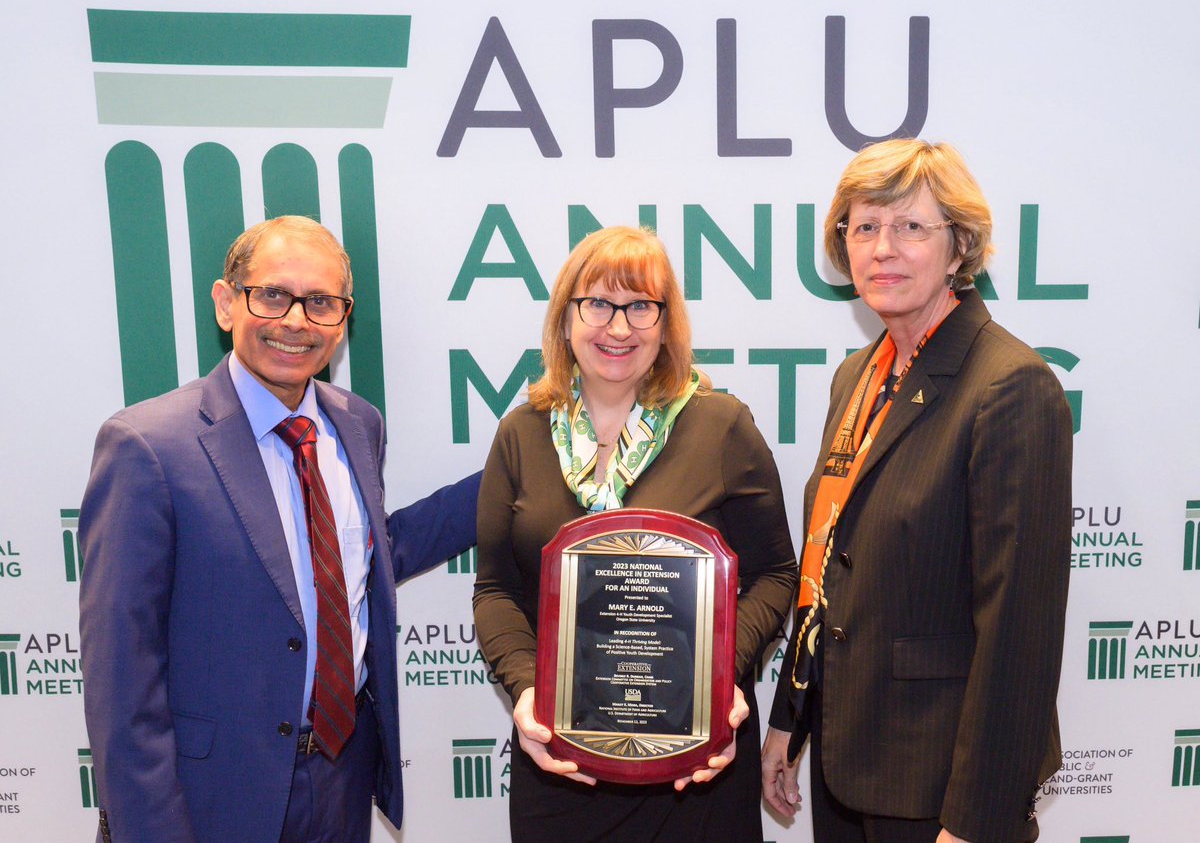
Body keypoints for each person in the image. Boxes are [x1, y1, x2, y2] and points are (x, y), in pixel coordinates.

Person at [78, 216, 480, 843]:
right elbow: (121, 677)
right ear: (225, 302)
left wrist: (524, 469)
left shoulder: (357, 423)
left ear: (342, 320)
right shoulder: (147, 446)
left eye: (320, 302)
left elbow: (357, 561)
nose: (296, 320)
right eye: (273, 294)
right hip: (211, 799)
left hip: (341, 781)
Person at [761, 139, 1072, 843]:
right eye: (864, 227)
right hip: (848, 762)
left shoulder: (1010, 386)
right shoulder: (859, 376)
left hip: (942, 788)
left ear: (959, 246)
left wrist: (976, 820)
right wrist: (790, 717)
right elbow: (829, 568)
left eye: (911, 227)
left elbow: (1020, 633)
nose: (882, 248)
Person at [473, 225, 796, 843]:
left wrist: (720, 679)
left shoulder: (721, 426)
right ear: (565, 317)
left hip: (698, 765)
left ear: (665, 322)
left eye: (640, 306)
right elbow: (496, 591)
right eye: (597, 303)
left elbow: (775, 574)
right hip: (561, 763)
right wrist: (526, 695)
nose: (618, 328)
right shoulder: (522, 434)